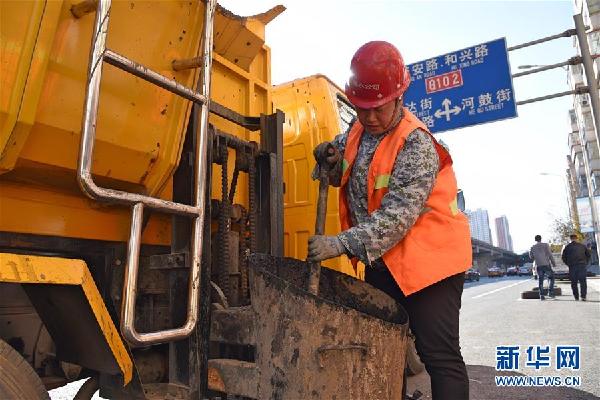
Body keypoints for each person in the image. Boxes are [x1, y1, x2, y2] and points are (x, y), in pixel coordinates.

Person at [306, 41, 472, 400]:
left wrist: (340, 243)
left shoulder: (416, 144)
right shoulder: (357, 130)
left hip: (431, 266)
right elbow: (340, 170)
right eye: (360, 108)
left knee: (438, 356)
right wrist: (330, 159)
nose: (368, 118)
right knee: (382, 353)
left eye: (377, 109)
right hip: (384, 263)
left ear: (399, 98)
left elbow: (396, 217)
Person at [561, 234, 590, 301]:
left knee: (574, 282)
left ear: (570, 239)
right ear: (576, 238)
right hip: (582, 265)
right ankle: (583, 296)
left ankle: (576, 296)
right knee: (583, 281)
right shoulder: (582, 246)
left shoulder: (567, 247)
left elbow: (563, 257)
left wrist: (568, 264)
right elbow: (588, 255)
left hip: (572, 266)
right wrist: (585, 263)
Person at [529, 235, 556, 300]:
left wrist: (536, 257)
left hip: (538, 265)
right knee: (551, 277)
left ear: (535, 240)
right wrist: (553, 263)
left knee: (540, 280)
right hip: (546, 264)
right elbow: (550, 254)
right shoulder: (546, 245)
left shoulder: (532, 247)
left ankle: (541, 295)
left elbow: (531, 257)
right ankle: (550, 292)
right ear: (541, 239)